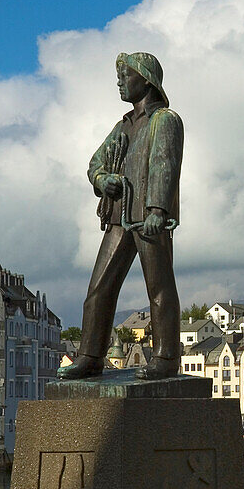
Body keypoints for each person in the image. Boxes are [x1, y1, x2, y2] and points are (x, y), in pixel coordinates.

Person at [58, 52, 184, 381]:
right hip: (119, 217)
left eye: (124, 76)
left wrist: (158, 209)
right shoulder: (122, 126)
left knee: (159, 288)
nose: (119, 82)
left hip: (148, 218)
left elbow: (164, 166)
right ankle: (90, 356)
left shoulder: (165, 120)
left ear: (145, 80)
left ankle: (166, 358)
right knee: (99, 288)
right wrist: (102, 180)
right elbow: (96, 163)